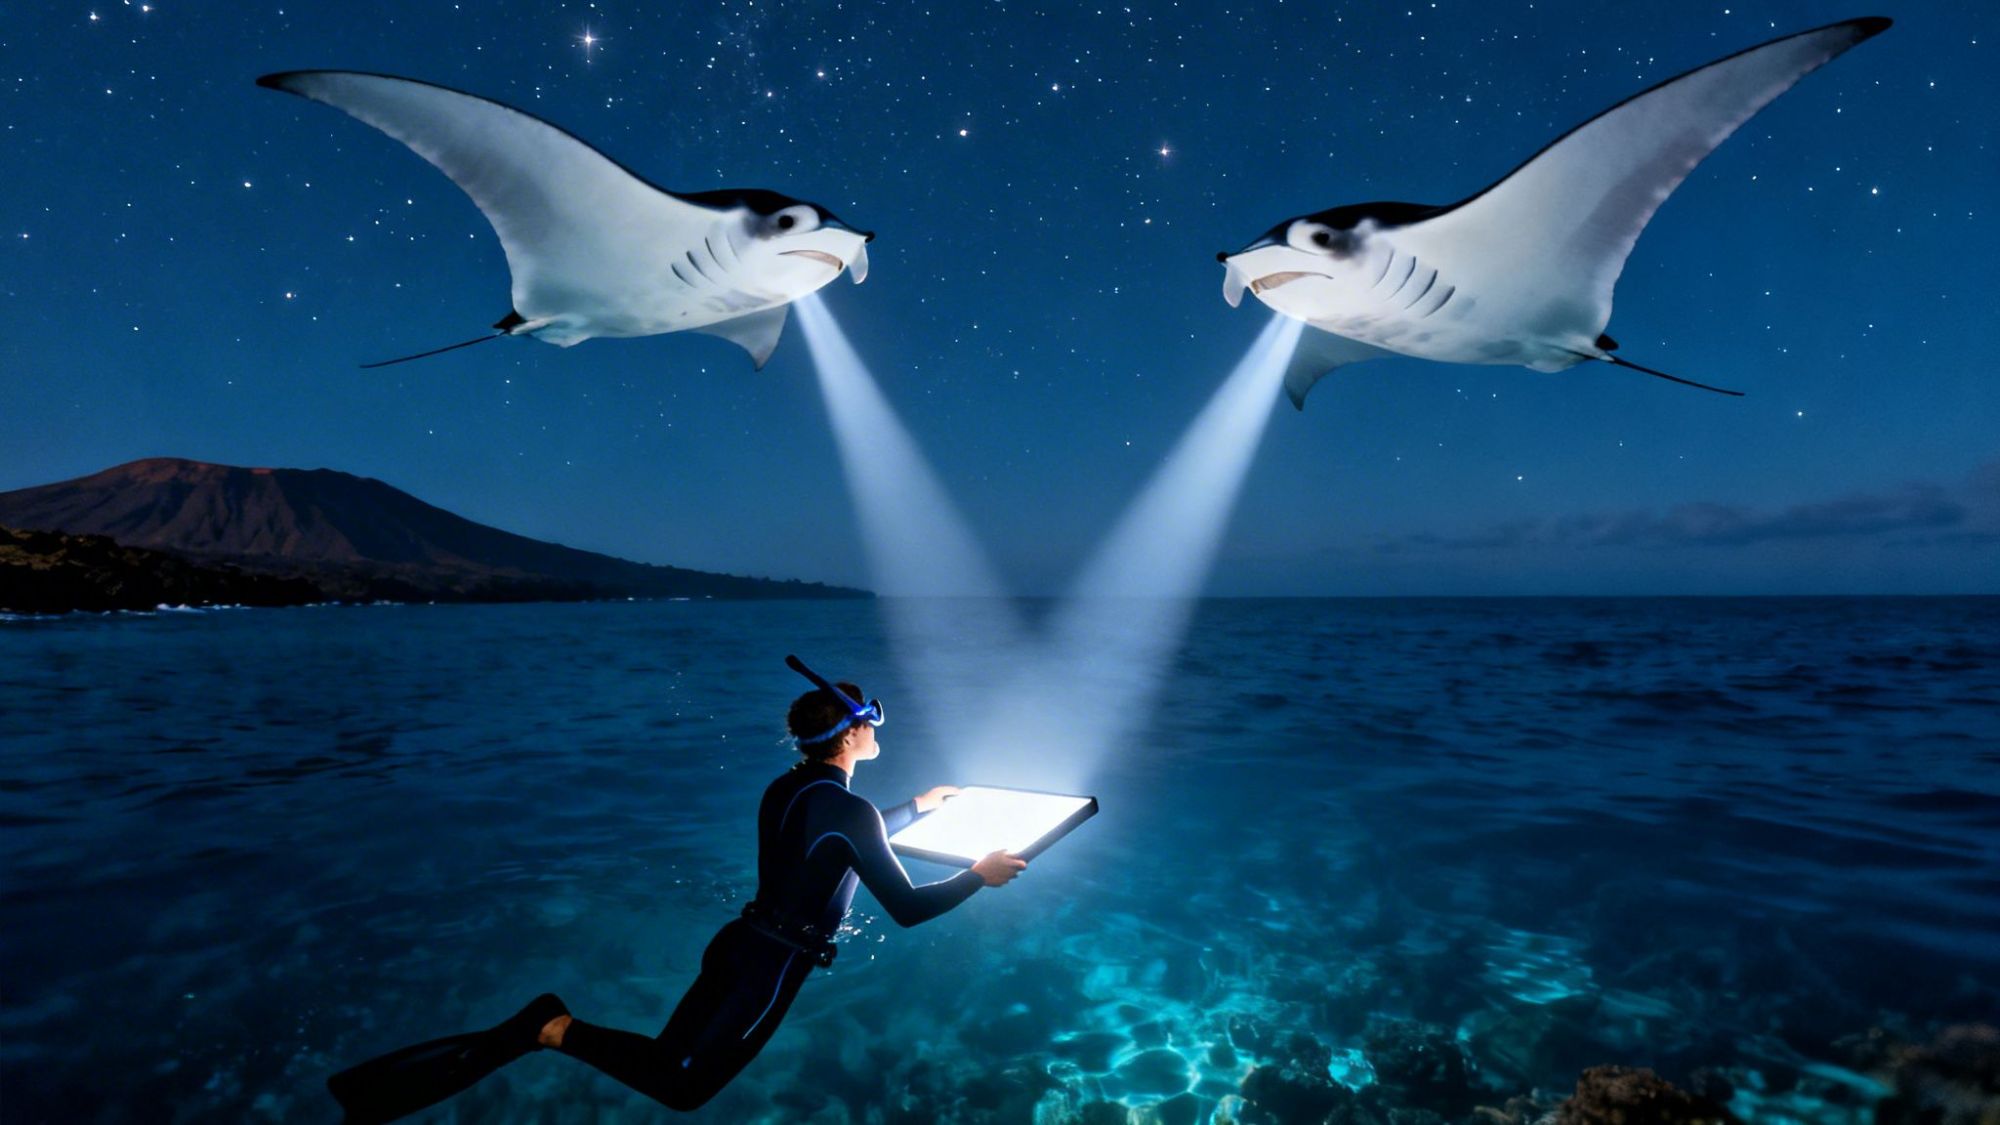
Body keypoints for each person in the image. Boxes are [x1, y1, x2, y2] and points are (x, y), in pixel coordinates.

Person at [326, 659, 1024, 1122]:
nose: (878, 727)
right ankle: (552, 1026)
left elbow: (830, 847)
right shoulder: (850, 811)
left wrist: (917, 807)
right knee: (684, 1086)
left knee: (673, 1060)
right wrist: (978, 875)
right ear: (854, 733)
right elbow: (904, 907)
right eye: (873, 718)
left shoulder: (790, 788)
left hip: (740, 943)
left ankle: (551, 1027)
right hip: (773, 967)